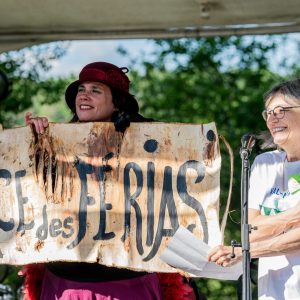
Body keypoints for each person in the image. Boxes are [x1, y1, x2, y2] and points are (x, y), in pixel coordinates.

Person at [22, 62, 198, 300]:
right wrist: (31, 140)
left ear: (117, 102)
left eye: (96, 90)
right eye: (81, 89)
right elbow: (32, 194)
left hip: (128, 284)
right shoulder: (54, 143)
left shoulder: (150, 144)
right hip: (65, 283)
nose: (84, 95)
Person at [208, 78, 300, 300]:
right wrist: (295, 216)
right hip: (272, 292)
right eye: (268, 112)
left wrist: (245, 251)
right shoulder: (265, 162)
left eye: (281, 109)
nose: (272, 117)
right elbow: (251, 229)